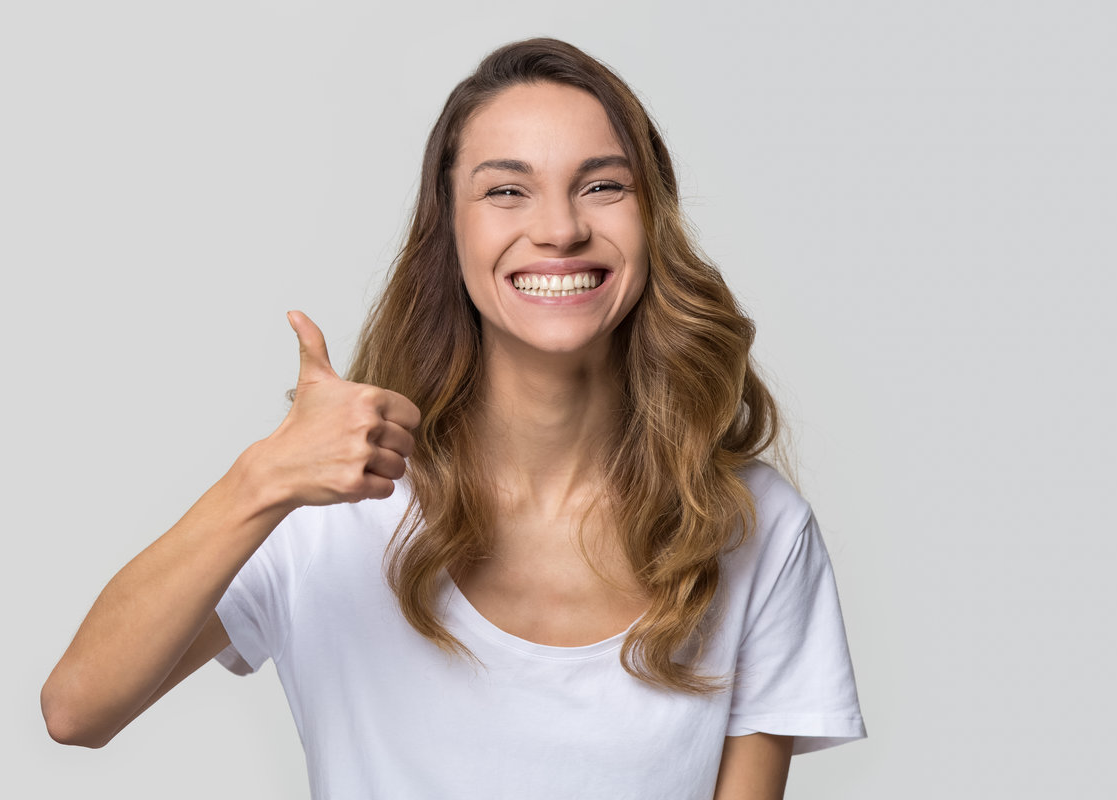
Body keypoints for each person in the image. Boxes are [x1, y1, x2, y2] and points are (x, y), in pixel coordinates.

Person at [42, 37, 865, 799]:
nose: (560, 229)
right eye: (506, 190)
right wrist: (262, 480)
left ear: (652, 221)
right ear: (450, 229)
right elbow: (77, 708)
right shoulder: (329, 507)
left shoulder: (754, 527)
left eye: (603, 186)